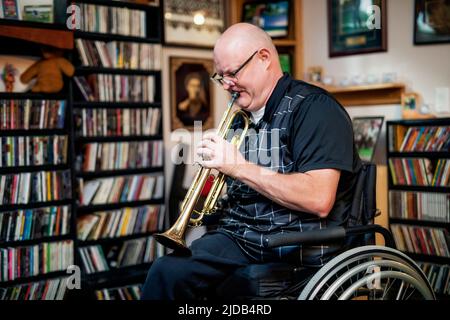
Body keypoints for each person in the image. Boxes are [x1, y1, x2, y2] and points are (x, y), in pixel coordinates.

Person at [141, 22, 362, 300]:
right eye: (220, 77)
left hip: (295, 245)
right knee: (167, 271)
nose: (226, 85)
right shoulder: (240, 118)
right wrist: (211, 178)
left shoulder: (315, 109)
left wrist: (237, 166)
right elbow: (240, 193)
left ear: (264, 58)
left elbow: (318, 198)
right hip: (242, 237)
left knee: (223, 287)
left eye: (232, 73)